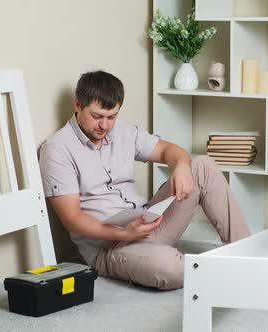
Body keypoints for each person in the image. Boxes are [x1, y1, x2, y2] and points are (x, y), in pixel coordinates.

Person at [39, 70, 250, 290]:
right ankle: (211, 268)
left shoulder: (122, 131)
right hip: (110, 246)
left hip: (148, 221)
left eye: (112, 117)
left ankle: (248, 258)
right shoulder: (57, 150)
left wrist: (182, 166)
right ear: (77, 105)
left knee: (202, 165)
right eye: (97, 116)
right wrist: (124, 233)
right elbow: (72, 219)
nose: (104, 125)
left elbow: (170, 150)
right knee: (170, 267)